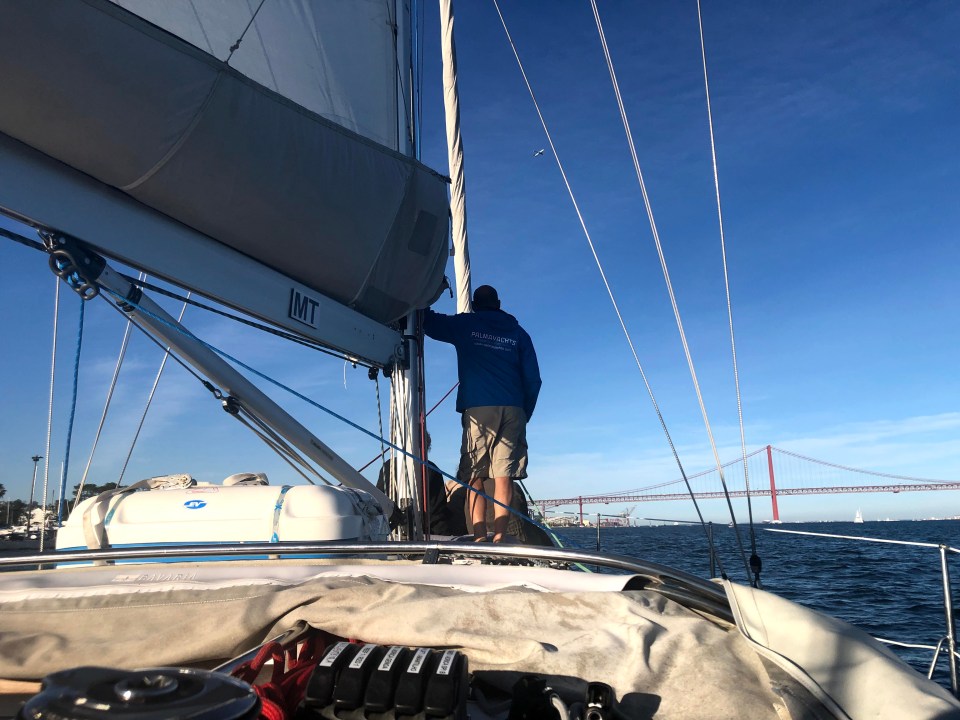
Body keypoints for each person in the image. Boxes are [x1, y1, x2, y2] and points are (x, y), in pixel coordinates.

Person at [423, 285, 541, 542]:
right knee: (504, 476)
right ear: (499, 303)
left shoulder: (466, 324)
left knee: (474, 474)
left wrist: (424, 292)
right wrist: (524, 413)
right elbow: (534, 379)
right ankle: (500, 536)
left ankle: (479, 536)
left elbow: (428, 322)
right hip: (513, 408)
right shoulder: (519, 334)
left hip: (479, 407)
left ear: (475, 305)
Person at [376, 432, 464, 536]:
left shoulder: (388, 467)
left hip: (389, 534)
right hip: (427, 535)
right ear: (426, 446)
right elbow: (437, 513)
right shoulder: (431, 470)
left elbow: (378, 502)